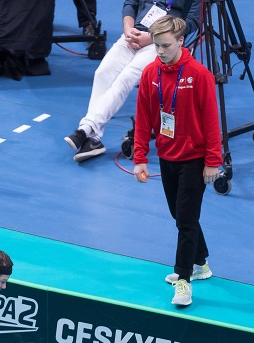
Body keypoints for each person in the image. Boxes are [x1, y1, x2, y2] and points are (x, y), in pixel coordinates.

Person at [132, 15, 221, 308]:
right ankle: (200, 263)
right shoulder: (150, 73)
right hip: (166, 156)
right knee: (181, 215)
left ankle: (184, 279)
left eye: (166, 46)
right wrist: (140, 157)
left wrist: (213, 161)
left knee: (185, 219)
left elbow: (211, 121)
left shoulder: (199, 75)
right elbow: (143, 118)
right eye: (156, 46)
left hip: (194, 159)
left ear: (181, 41)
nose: (160, 51)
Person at [65, 0, 202, 163]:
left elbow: (192, 23)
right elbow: (130, 4)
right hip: (133, 35)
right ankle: (93, 138)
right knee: (103, 73)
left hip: (161, 43)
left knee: (127, 77)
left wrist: (154, 37)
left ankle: (86, 128)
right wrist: (128, 30)